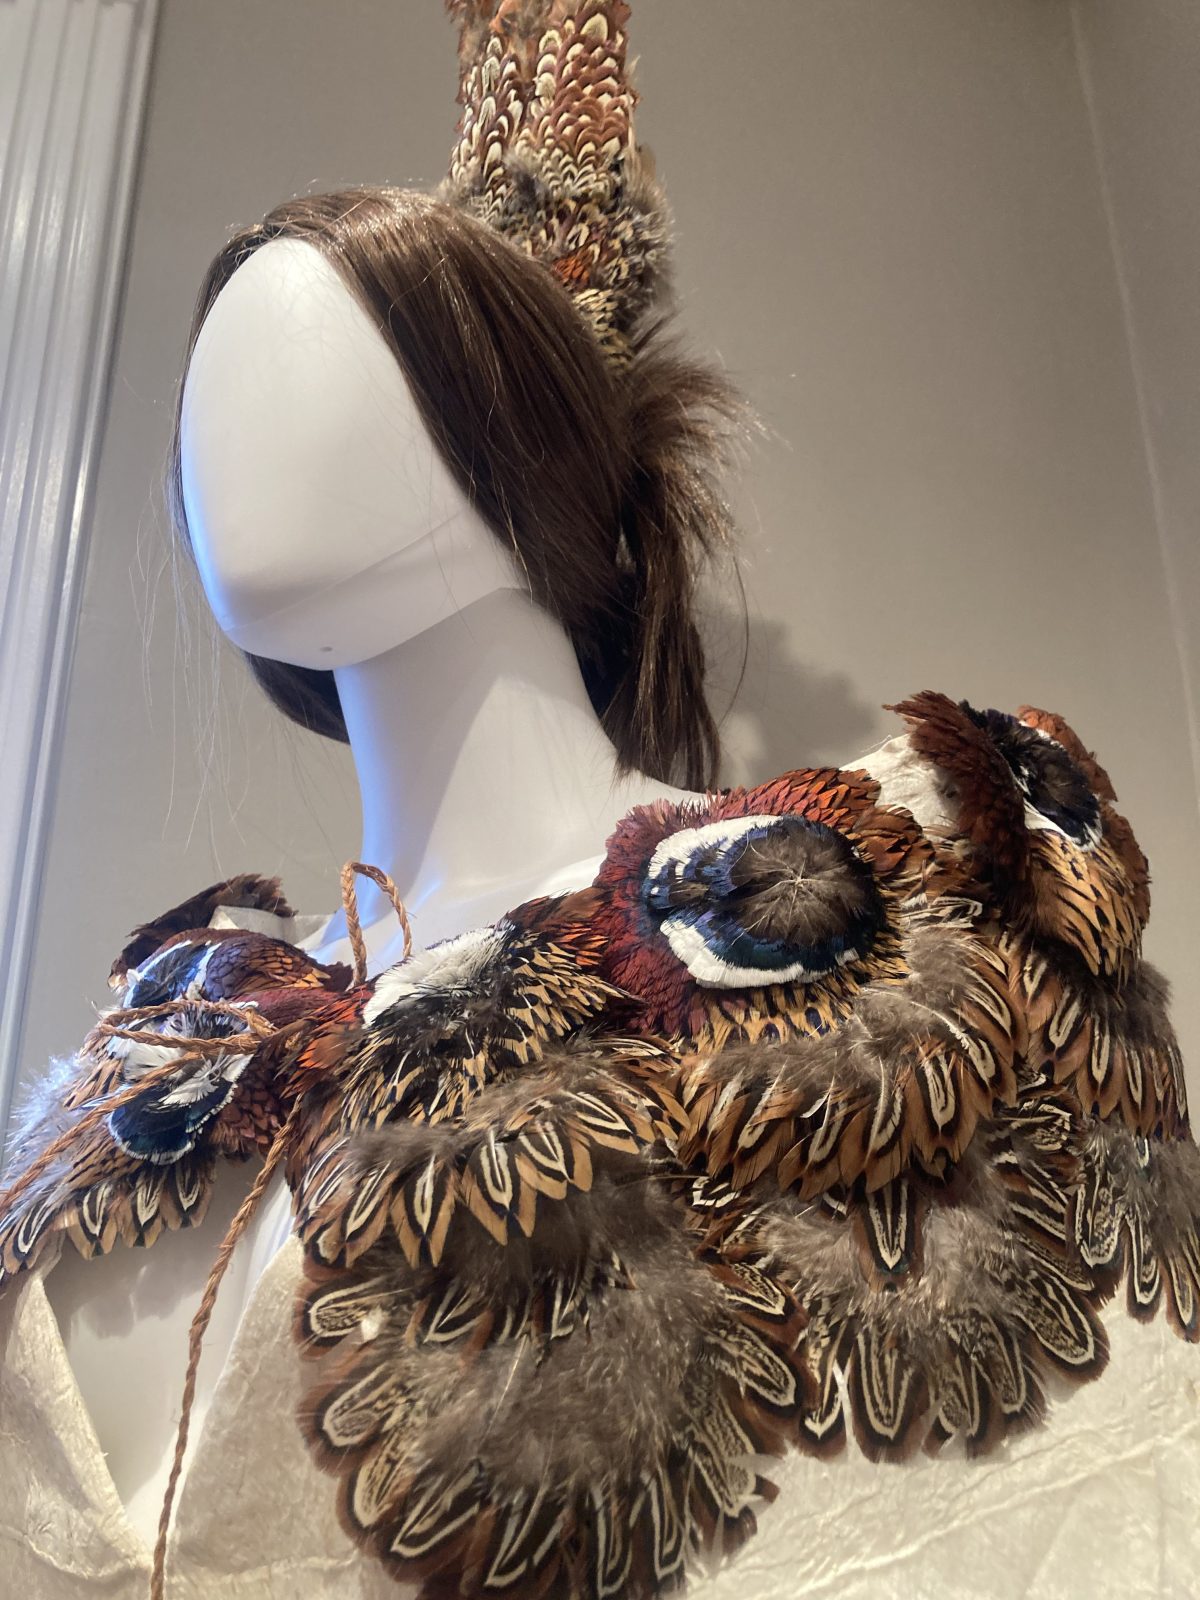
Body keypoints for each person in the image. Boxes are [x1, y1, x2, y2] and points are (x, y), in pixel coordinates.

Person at [1, 4, 1197, 1598]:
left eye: (342, 344)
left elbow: (1090, 1503)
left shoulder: (938, 896)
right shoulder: (155, 1071)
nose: (240, 395)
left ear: (528, 432)